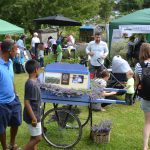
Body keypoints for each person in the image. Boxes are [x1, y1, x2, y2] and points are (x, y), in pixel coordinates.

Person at [0, 41, 22, 150]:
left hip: (14, 99)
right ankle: (5, 148)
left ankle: (12, 144)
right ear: (9, 51)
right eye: (15, 49)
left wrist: (15, 93)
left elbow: (11, 79)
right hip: (2, 104)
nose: (17, 51)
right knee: (1, 128)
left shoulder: (10, 62)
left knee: (16, 122)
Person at [23, 59, 42, 150]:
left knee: (33, 137)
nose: (40, 71)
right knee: (38, 138)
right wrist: (34, 118)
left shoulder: (34, 81)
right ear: (35, 70)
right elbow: (27, 102)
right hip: (33, 116)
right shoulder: (32, 84)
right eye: (39, 69)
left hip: (35, 114)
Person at [134, 43, 150, 150]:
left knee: (147, 122)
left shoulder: (138, 65)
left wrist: (137, 86)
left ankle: (145, 146)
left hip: (146, 97)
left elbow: (137, 82)